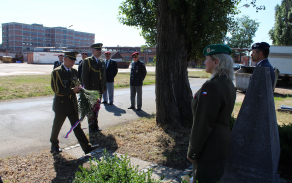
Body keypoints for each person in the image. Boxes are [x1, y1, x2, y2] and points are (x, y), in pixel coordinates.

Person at [187, 44, 236, 183]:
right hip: (220, 146)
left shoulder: (212, 86)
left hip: (209, 149)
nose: (204, 62)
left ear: (216, 62)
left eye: (207, 59)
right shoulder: (228, 83)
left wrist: (193, 151)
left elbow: (203, 123)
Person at [50, 51, 98, 154]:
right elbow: (57, 90)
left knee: (77, 127)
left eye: (74, 60)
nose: (73, 62)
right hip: (61, 105)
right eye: (71, 60)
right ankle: (54, 145)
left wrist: (81, 89)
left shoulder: (74, 72)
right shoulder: (56, 72)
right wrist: (72, 90)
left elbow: (78, 84)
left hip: (72, 105)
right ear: (65, 59)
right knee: (57, 127)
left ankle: (86, 147)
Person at [82, 43, 106, 132]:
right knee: (91, 109)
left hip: (99, 89)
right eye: (97, 50)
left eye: (100, 50)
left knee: (97, 108)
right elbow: (85, 77)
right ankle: (91, 127)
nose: (99, 52)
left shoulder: (101, 62)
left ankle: (96, 125)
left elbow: (103, 76)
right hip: (91, 90)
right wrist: (86, 91)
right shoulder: (87, 61)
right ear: (93, 51)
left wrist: (103, 87)